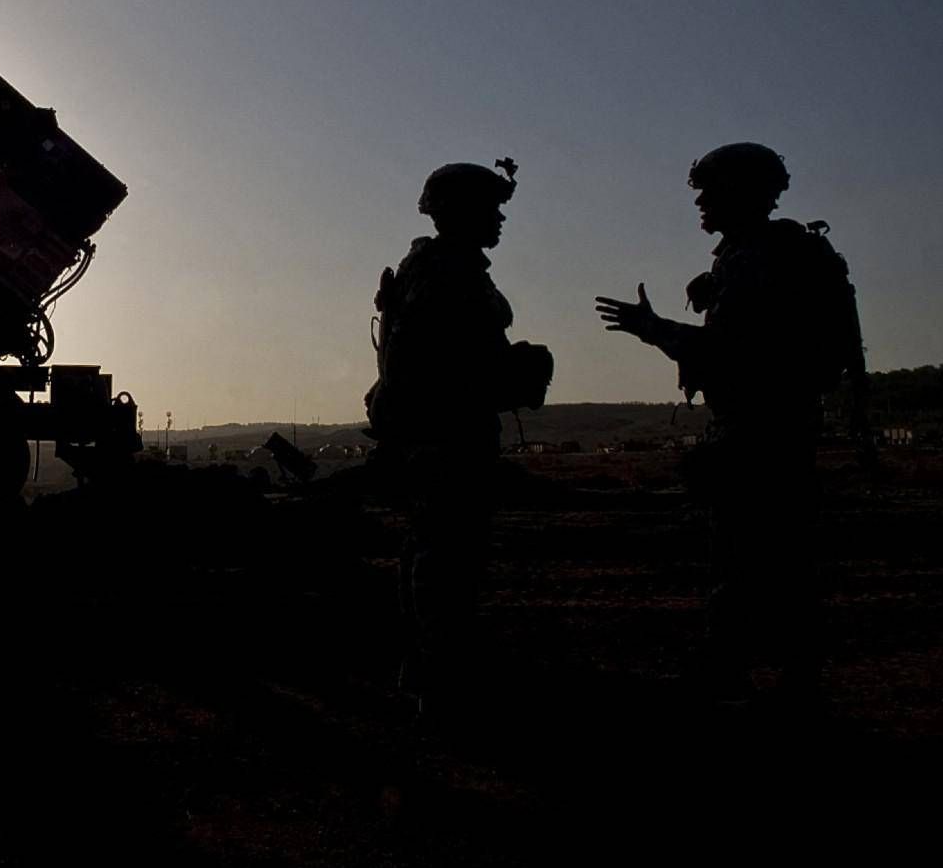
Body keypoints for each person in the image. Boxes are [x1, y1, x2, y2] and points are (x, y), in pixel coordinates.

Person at [595, 143, 862, 709]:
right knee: (785, 557)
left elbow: (727, 354)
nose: (701, 204)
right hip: (784, 427)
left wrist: (652, 328)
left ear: (742, 194)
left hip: (757, 432)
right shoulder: (774, 255)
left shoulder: (753, 262)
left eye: (710, 193)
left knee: (743, 557)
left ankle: (734, 676)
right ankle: (792, 679)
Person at [368, 160, 552, 719]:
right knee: (446, 562)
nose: (499, 219)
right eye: (490, 209)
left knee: (434, 555)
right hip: (447, 439)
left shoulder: (435, 268)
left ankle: (430, 672)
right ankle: (442, 683)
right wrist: (522, 370)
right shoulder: (448, 274)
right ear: (460, 212)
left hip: (437, 437)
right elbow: (449, 370)